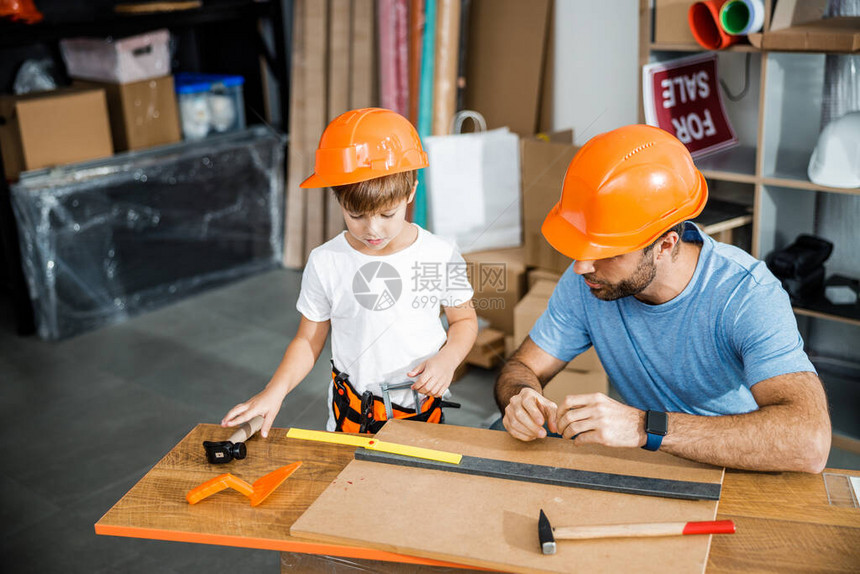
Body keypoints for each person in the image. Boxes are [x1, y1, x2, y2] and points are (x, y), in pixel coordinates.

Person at [494, 124, 831, 473]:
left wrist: (644, 427)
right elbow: (521, 368)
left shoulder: (746, 296)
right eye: (582, 246)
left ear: (665, 245)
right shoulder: (589, 281)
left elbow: (810, 442)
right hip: (652, 463)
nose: (581, 266)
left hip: (740, 467)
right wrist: (522, 398)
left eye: (605, 250)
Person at [223, 108, 478, 437]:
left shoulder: (439, 255)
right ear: (338, 198)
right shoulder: (326, 261)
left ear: (410, 192)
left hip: (421, 414)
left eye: (388, 213)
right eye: (356, 214)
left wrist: (448, 360)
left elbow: (464, 321)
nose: (373, 229)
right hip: (350, 418)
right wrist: (275, 391)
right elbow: (307, 341)